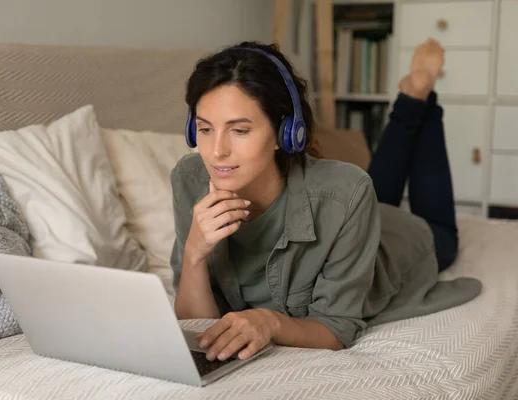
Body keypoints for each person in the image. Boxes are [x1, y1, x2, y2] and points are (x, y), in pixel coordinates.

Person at [169, 38, 481, 362]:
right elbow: (197, 327)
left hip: (397, 242)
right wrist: (193, 253)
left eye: (240, 131)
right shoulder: (190, 181)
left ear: (285, 131)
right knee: (367, 187)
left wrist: (270, 321)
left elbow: (335, 328)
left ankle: (418, 99)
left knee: (431, 226)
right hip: (348, 212)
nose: (216, 151)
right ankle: (412, 100)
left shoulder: (345, 193)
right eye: (205, 130)